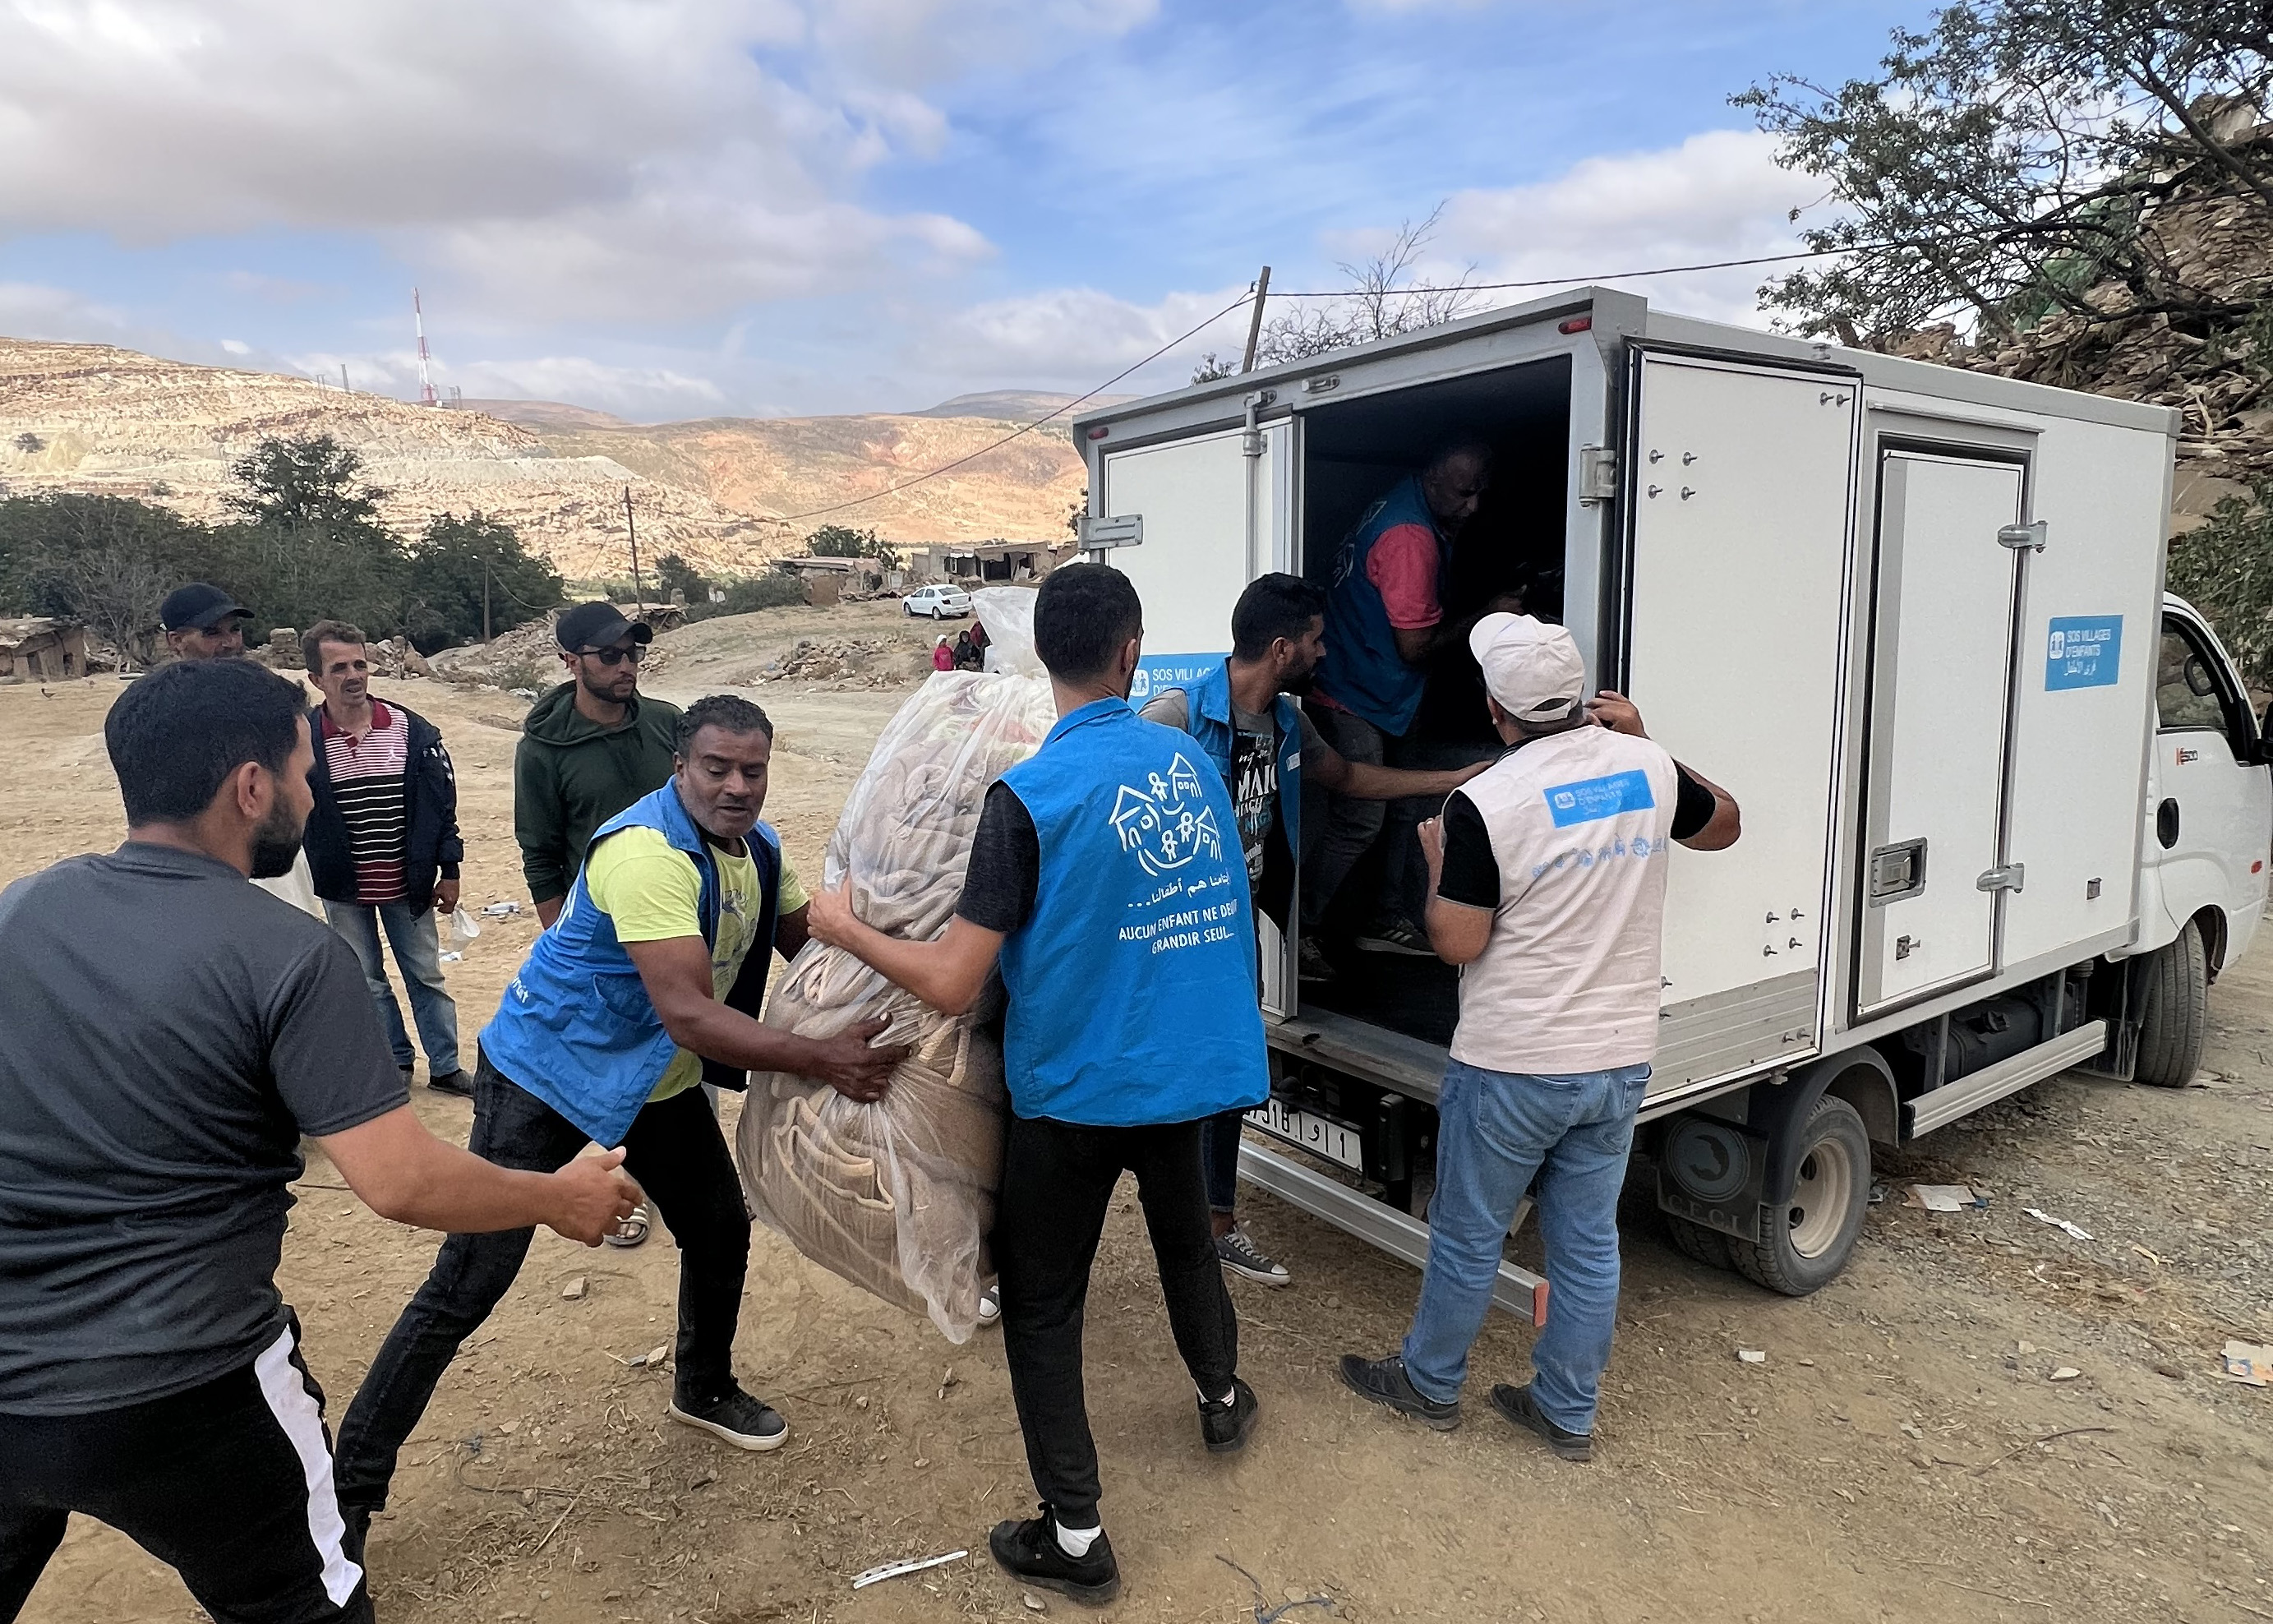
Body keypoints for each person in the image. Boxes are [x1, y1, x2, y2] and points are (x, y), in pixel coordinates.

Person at [0, 659, 638, 1624]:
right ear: (249, 788)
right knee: (310, 1601)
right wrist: (560, 1195)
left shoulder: (18, 911)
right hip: (189, 1383)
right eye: (304, 773)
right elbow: (400, 1179)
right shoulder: (289, 955)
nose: (313, 792)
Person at [334, 695, 906, 1547]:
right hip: (546, 1075)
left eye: (754, 769)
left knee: (718, 1227)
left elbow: (811, 951)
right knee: (469, 1282)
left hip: (652, 1081)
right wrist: (827, 1059)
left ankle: (702, 1386)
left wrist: (907, 966)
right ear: (681, 766)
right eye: (717, 767)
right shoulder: (647, 854)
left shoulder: (761, 849)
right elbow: (690, 1014)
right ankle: (347, 1492)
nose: (737, 785)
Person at [806, 563, 1266, 1608]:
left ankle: (1075, 1532)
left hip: (1076, 1091)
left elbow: (955, 975)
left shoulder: (1028, 795)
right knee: (1186, 1235)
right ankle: (1223, 1394)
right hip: (1184, 1072)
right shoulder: (1188, 763)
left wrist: (842, 928)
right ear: (1131, 650)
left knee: (1045, 1307)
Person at [1339, 614, 1739, 1462]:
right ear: (1583, 695)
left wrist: (1439, 862)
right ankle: (1565, 1409)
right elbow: (1724, 824)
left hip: (1515, 1059)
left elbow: (1457, 941)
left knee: (1470, 1229)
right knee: (1588, 1243)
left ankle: (1430, 1382)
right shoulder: (1649, 767)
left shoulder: (1485, 802)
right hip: (1618, 1055)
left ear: (1494, 708)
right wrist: (1649, 742)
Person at [1139, 572, 1489, 1288]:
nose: (1324, 652)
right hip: (1181, 938)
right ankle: (1200, 1231)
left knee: (1234, 1078)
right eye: (1316, 640)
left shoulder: (1288, 721)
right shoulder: (1173, 717)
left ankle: (1213, 1226)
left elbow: (1351, 778)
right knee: (1195, 1081)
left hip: (1236, 932)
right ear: (1280, 647)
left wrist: (1451, 779)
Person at [516, 600, 683, 1245]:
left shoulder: (668, 725)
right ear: (570, 661)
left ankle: (698, 1184)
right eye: (610, 655)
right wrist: (566, 948)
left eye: (633, 653)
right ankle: (623, 1192)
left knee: (684, 1049)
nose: (626, 666)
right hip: (599, 938)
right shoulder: (543, 749)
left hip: (673, 917)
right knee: (614, 1070)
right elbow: (540, 853)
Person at [1307, 442, 1515, 958]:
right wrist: (1488, 615)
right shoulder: (1410, 537)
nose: (1474, 507)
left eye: (1481, 493)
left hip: (1386, 691)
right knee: (1360, 820)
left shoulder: (1402, 500)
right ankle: (1295, 930)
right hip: (1354, 691)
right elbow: (1416, 645)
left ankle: (1382, 916)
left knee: (1402, 809)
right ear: (1433, 477)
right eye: (1464, 493)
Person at [298, 621, 471, 1098]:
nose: (353, 675)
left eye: (359, 663)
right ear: (316, 679)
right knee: (367, 982)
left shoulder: (412, 732)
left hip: (410, 885)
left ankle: (447, 1066)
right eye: (339, 668)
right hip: (343, 887)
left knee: (427, 977)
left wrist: (450, 870)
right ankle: (395, 1063)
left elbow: (442, 807)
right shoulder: (304, 740)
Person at [160, 580, 326, 920]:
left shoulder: (263, 695)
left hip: (273, 849)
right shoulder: (162, 710)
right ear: (176, 641)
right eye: (212, 632)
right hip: (199, 858)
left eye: (234, 630)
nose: (229, 642)